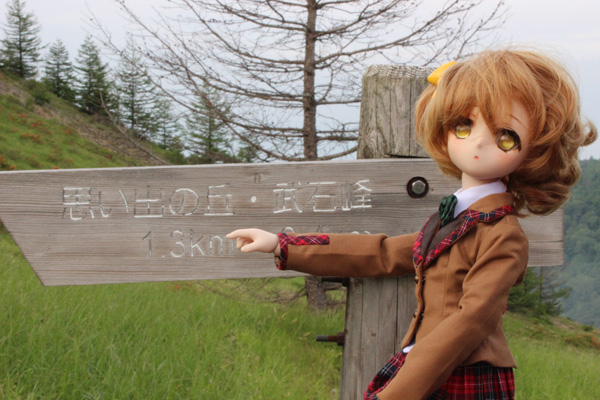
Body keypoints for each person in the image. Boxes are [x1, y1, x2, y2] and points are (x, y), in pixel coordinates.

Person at [227, 49, 597, 400]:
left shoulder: (502, 235)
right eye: (464, 125)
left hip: (462, 372)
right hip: (424, 365)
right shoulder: (455, 215)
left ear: (535, 151)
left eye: (506, 137)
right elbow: (385, 253)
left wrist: (400, 391)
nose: (478, 143)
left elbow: (473, 320)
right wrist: (283, 245)